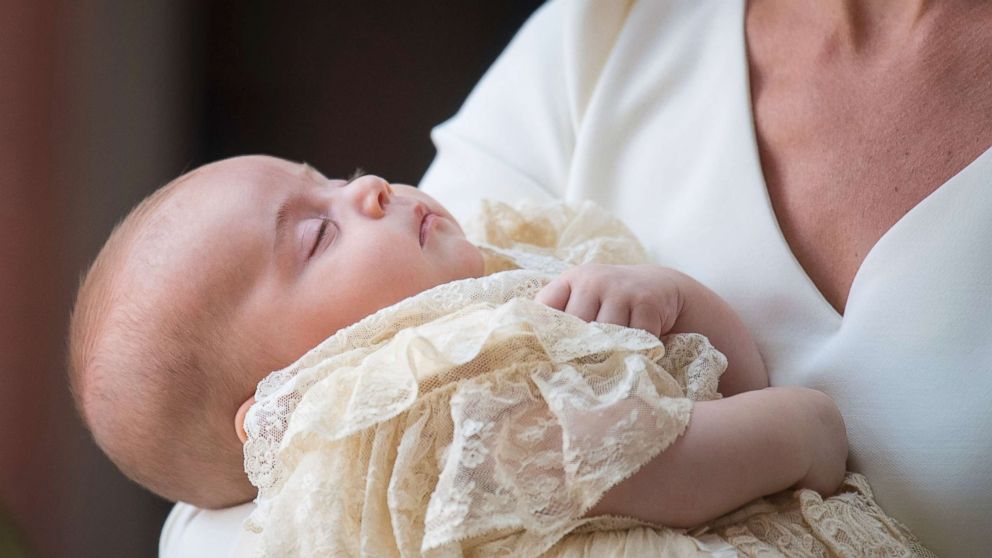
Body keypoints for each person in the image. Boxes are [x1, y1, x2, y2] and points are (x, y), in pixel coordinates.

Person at [160, 1, 992, 556]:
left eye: (329, 177)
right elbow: (624, 463)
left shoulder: (506, 271)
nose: (366, 188)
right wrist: (796, 433)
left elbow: (726, 381)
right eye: (316, 231)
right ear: (278, 405)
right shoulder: (412, 402)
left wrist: (674, 299)